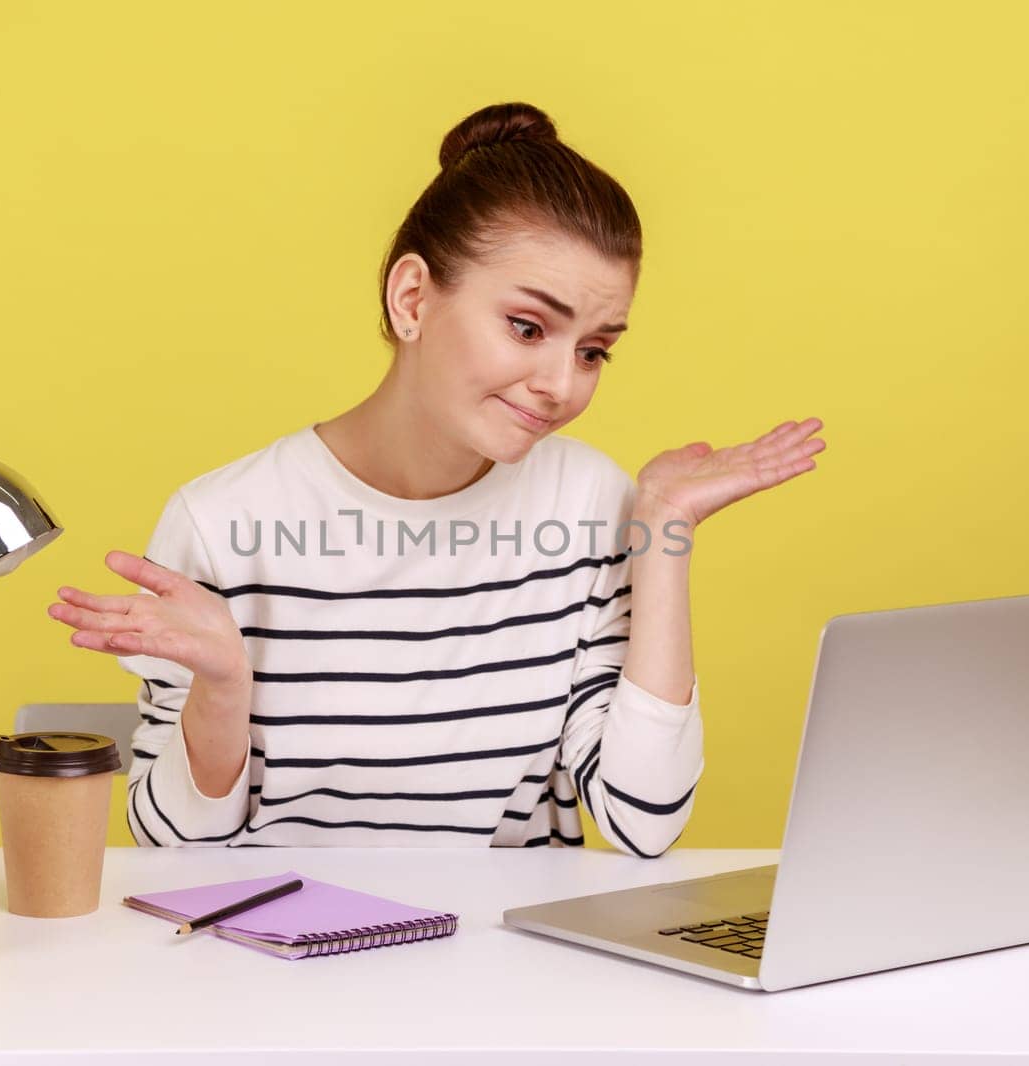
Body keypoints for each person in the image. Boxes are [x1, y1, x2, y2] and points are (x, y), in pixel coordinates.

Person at [47, 101, 825, 855]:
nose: (562, 384)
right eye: (528, 327)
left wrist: (662, 531)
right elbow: (171, 842)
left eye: (593, 350)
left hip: (504, 969)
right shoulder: (222, 523)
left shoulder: (593, 506)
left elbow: (642, 823)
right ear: (413, 297)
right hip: (277, 969)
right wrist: (220, 687)